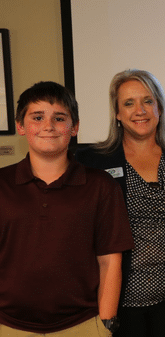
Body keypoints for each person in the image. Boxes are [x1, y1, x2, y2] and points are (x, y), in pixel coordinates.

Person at [0, 81, 134, 336]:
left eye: (59, 118)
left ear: (75, 128)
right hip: (8, 326)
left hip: (83, 325)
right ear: (20, 126)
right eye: (37, 117)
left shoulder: (101, 186)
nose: (48, 126)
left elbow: (110, 262)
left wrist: (105, 325)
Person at [76, 70, 165, 336]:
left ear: (160, 108)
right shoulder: (92, 162)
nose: (139, 110)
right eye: (129, 103)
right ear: (117, 113)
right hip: (117, 300)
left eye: (147, 101)